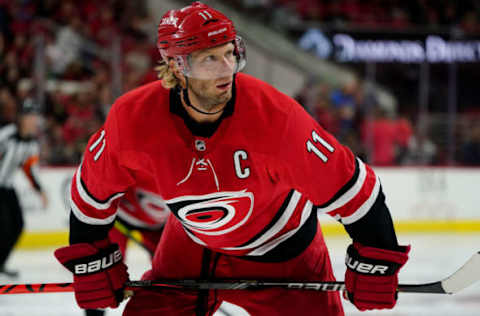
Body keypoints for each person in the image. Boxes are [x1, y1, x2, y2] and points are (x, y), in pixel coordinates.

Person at [54, 2, 410, 315]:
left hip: (285, 254)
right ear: (177, 67)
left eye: (229, 53)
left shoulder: (277, 119)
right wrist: (91, 259)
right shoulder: (132, 119)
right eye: (210, 59)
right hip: (190, 248)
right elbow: (92, 194)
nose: (226, 70)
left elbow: (355, 190)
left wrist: (376, 259)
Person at [0, 99, 48, 278]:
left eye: (35, 117)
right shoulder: (6, 135)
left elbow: (29, 170)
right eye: (29, 116)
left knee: (18, 225)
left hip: (7, 187)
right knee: (3, 227)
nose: (33, 120)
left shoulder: (32, 144)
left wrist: (40, 190)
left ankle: (1, 262)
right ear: (21, 118)